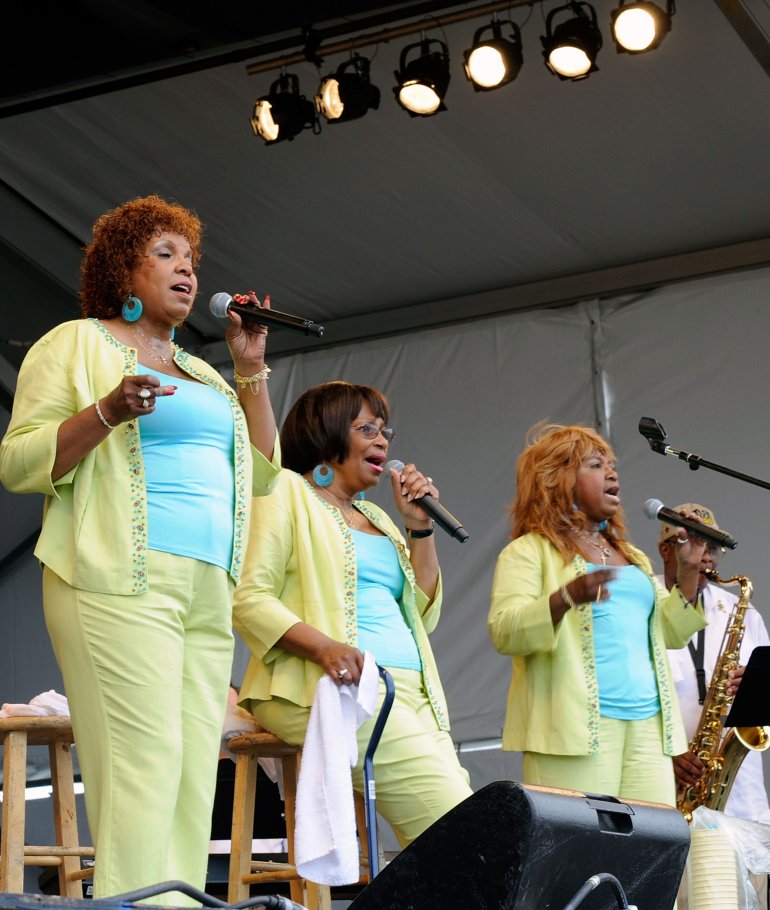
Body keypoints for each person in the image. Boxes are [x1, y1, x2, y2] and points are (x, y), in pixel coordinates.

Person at [0, 195, 280, 902]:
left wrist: (250, 371)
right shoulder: (75, 344)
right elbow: (19, 461)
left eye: (191, 259)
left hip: (206, 589)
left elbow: (265, 472)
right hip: (117, 580)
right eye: (166, 255)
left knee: (193, 773)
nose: (186, 269)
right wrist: (108, 409)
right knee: (141, 765)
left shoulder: (207, 374)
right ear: (124, 269)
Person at [232, 380, 473, 849]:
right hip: (335, 688)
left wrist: (419, 529)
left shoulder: (380, 518)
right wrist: (326, 648)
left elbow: (420, 617)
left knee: (438, 846)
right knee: (464, 827)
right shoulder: (285, 491)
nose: (383, 440)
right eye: (367, 428)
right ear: (327, 433)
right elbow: (249, 598)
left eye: (386, 431)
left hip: (416, 694)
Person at [487, 422, 708, 807]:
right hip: (574, 733)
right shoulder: (528, 551)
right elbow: (505, 631)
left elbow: (671, 633)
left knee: (650, 850)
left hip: (649, 730)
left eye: (612, 465)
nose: (611, 472)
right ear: (557, 480)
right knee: (583, 853)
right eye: (595, 464)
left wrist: (688, 573)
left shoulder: (632, 556)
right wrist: (565, 598)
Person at [660, 504, 770, 910]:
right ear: (667, 548)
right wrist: (666, 754)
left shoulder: (743, 611)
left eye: (716, 547)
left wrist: (754, 687)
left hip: (741, 802)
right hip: (667, 791)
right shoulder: (649, 602)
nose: (709, 555)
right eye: (698, 542)